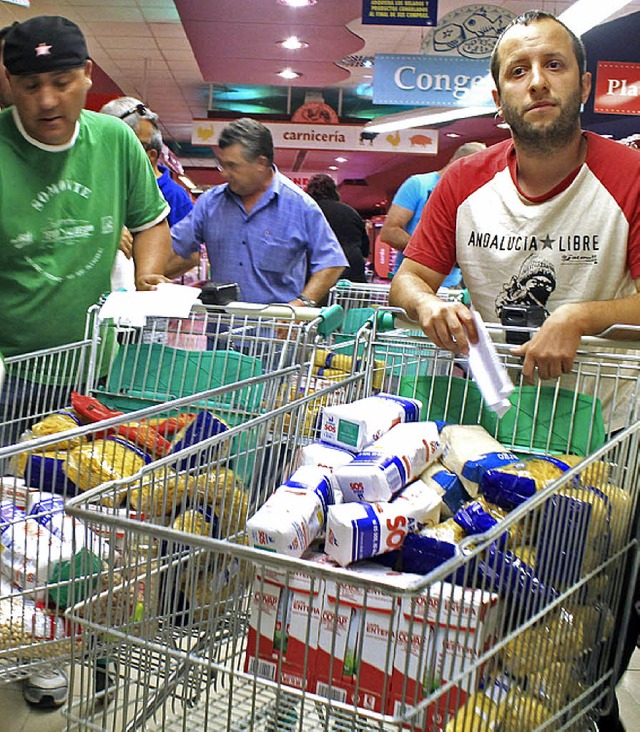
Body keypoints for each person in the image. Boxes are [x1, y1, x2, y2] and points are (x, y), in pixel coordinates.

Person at [389, 11, 640, 731]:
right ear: (498, 97)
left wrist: (582, 318)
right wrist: (430, 305)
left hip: (605, 435)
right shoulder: (464, 180)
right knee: (494, 601)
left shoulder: (629, 176)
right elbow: (408, 279)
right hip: (505, 427)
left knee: (582, 618)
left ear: (585, 84)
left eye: (555, 65)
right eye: (519, 70)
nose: (538, 82)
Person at [167, 117, 347, 306]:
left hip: (274, 330)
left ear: (261, 163)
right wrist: (150, 273)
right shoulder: (210, 204)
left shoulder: (300, 206)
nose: (224, 173)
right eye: (222, 164)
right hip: (222, 329)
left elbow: (332, 262)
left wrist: (301, 304)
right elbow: (174, 246)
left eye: (232, 166)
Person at [100, 96, 194, 288]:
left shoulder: (172, 195)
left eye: (137, 146)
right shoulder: (89, 177)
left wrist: (143, 275)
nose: (131, 152)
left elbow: (187, 256)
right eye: (127, 144)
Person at [380, 141, 486, 283]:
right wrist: (432, 253)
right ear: (456, 162)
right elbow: (389, 232)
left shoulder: (471, 194)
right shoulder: (419, 184)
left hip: (453, 285)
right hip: (412, 281)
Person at [306, 173, 370, 283]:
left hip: (317, 271)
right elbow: (365, 249)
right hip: (352, 269)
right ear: (334, 191)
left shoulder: (307, 211)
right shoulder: (350, 212)